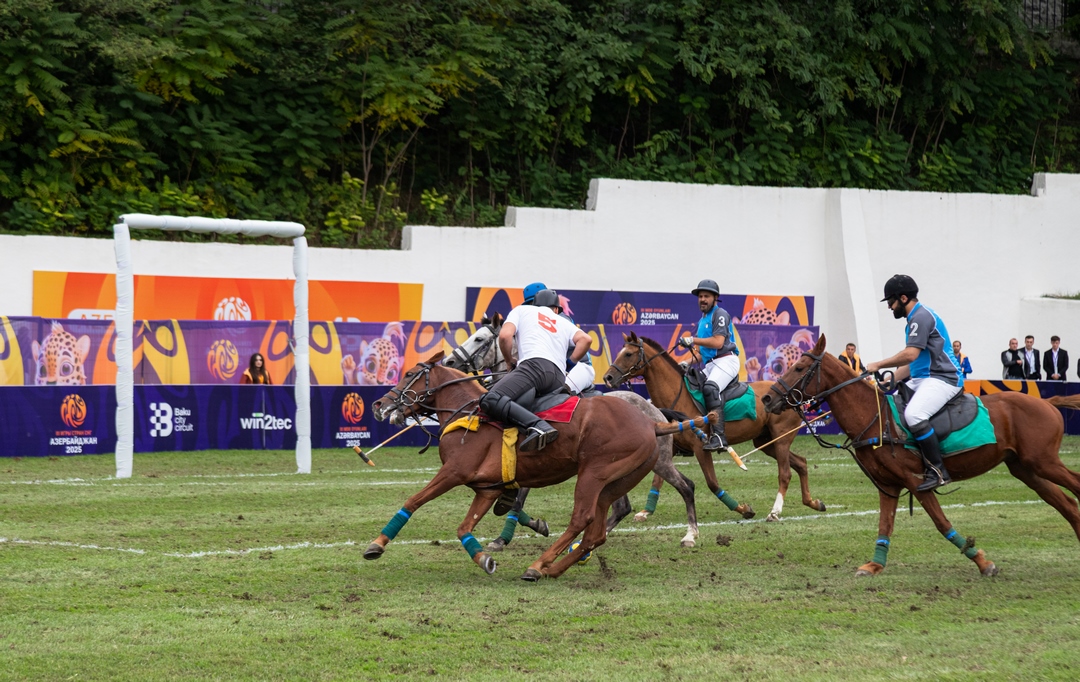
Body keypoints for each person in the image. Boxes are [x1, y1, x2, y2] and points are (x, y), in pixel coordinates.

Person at [866, 274, 962, 492]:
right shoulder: (913, 320)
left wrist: (878, 365)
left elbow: (909, 354)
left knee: (914, 415)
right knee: (889, 407)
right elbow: (913, 362)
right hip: (923, 379)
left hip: (943, 378)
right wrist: (891, 379)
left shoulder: (921, 317)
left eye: (890, 301)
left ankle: (938, 470)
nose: (889, 307)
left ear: (902, 298)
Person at [479, 288, 591, 451]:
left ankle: (539, 426)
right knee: (521, 400)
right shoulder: (564, 322)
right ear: (556, 309)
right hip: (558, 378)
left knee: (490, 399)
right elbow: (586, 340)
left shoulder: (521, 310)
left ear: (534, 304)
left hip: (534, 368)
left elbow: (504, 336)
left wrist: (510, 361)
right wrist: (569, 364)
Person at [678, 279, 741, 452]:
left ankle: (719, 437)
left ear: (715, 298)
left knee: (710, 388)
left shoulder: (719, 314)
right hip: (711, 364)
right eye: (700, 296)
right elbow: (700, 352)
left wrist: (693, 340)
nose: (703, 299)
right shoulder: (702, 320)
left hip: (726, 360)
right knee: (689, 383)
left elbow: (718, 342)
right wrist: (685, 362)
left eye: (706, 296)